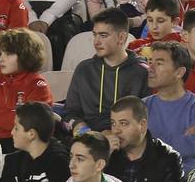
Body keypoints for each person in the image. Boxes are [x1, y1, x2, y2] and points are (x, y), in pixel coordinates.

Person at [64, 8, 150, 137]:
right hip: (88, 141)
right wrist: (86, 133)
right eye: (95, 34)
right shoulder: (83, 69)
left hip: (126, 143)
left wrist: (114, 134)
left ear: (122, 38)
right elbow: (69, 114)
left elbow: (146, 120)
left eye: (103, 35)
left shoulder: (142, 72)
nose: (96, 41)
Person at [103, 95, 185, 182]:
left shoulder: (167, 158)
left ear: (142, 125)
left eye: (123, 123)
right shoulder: (110, 155)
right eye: (113, 123)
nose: (116, 130)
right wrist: (103, 156)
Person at [143, 41, 195, 171]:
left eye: (159, 63)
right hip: (149, 179)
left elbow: (194, 147)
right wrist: (182, 138)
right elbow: (136, 149)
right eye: (150, 62)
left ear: (179, 72)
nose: (150, 68)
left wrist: (150, 143)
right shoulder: (142, 105)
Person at [0, 28, 53, 145]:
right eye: (0, 53)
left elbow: (33, 126)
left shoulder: (37, 85)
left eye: (9, 54)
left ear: (26, 55)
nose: (1, 59)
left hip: (26, 148)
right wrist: (13, 119)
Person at [0, 102, 70, 182]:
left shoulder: (60, 163)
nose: (12, 133)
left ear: (31, 134)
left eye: (16, 128)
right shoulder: (13, 162)